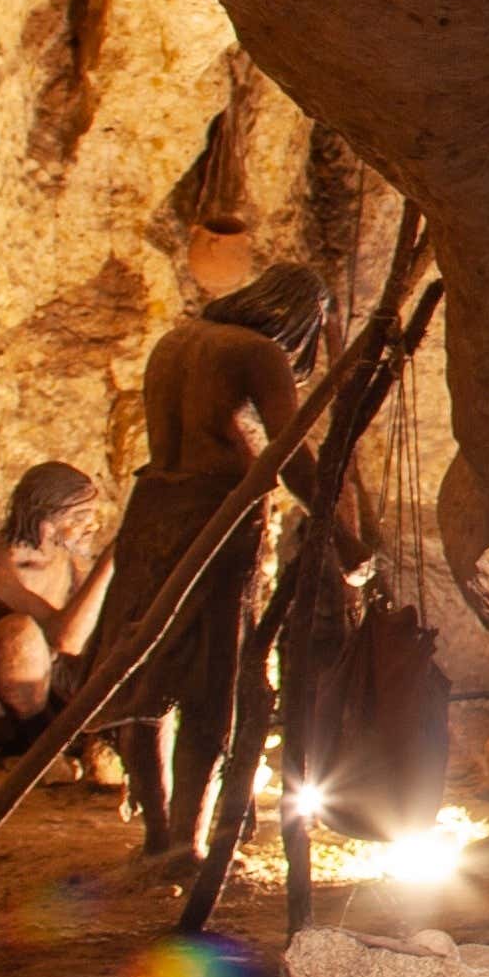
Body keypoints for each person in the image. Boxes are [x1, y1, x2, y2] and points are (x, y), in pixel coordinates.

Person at [102, 263, 330, 851]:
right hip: (218, 515)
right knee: (210, 682)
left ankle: (158, 834)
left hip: (154, 506)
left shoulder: (176, 341)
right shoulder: (258, 353)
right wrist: (341, 534)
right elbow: (287, 452)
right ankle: (186, 841)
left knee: (146, 672)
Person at [0, 462, 118, 762]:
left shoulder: (64, 555)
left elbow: (91, 627)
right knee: (20, 633)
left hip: (48, 694)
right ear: (46, 524)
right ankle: (43, 751)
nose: (93, 526)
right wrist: (110, 562)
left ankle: (74, 738)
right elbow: (66, 640)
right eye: (81, 518)